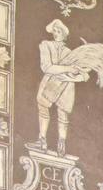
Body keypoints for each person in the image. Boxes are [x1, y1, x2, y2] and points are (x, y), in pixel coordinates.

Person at [36, 20, 87, 155]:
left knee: (63, 113)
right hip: (49, 81)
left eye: (59, 31)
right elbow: (46, 67)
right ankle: (42, 139)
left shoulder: (70, 53)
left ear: (64, 35)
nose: (56, 33)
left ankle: (61, 143)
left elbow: (84, 74)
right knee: (43, 107)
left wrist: (73, 77)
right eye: (55, 31)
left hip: (65, 84)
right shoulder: (46, 45)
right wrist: (68, 69)